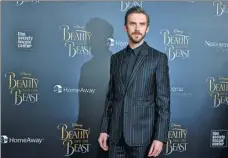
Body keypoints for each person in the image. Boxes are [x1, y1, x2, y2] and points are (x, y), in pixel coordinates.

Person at [98, 6, 171, 158]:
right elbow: (111, 97)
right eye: (133, 24)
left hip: (144, 139)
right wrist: (104, 128)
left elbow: (163, 102)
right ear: (126, 27)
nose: (137, 28)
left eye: (142, 24)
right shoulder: (115, 59)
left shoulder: (158, 58)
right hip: (116, 137)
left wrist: (160, 137)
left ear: (147, 28)